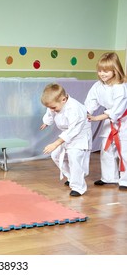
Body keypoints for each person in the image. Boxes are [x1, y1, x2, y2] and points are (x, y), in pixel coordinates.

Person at [84, 52, 127, 190]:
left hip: (123, 120)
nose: (102, 74)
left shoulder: (120, 87)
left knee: (124, 151)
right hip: (109, 121)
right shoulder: (98, 85)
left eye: (106, 71)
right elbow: (90, 102)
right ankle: (109, 178)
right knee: (106, 148)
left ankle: (125, 180)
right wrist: (86, 114)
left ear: (115, 70)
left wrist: (96, 118)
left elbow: (116, 111)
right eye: (100, 70)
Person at [40, 83, 92, 196]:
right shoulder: (55, 104)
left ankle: (79, 187)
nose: (52, 110)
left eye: (53, 107)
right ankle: (72, 177)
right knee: (56, 156)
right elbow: (50, 113)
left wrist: (56, 143)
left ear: (63, 99)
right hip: (67, 132)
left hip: (80, 134)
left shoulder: (75, 109)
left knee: (75, 158)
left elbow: (73, 130)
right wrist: (47, 122)